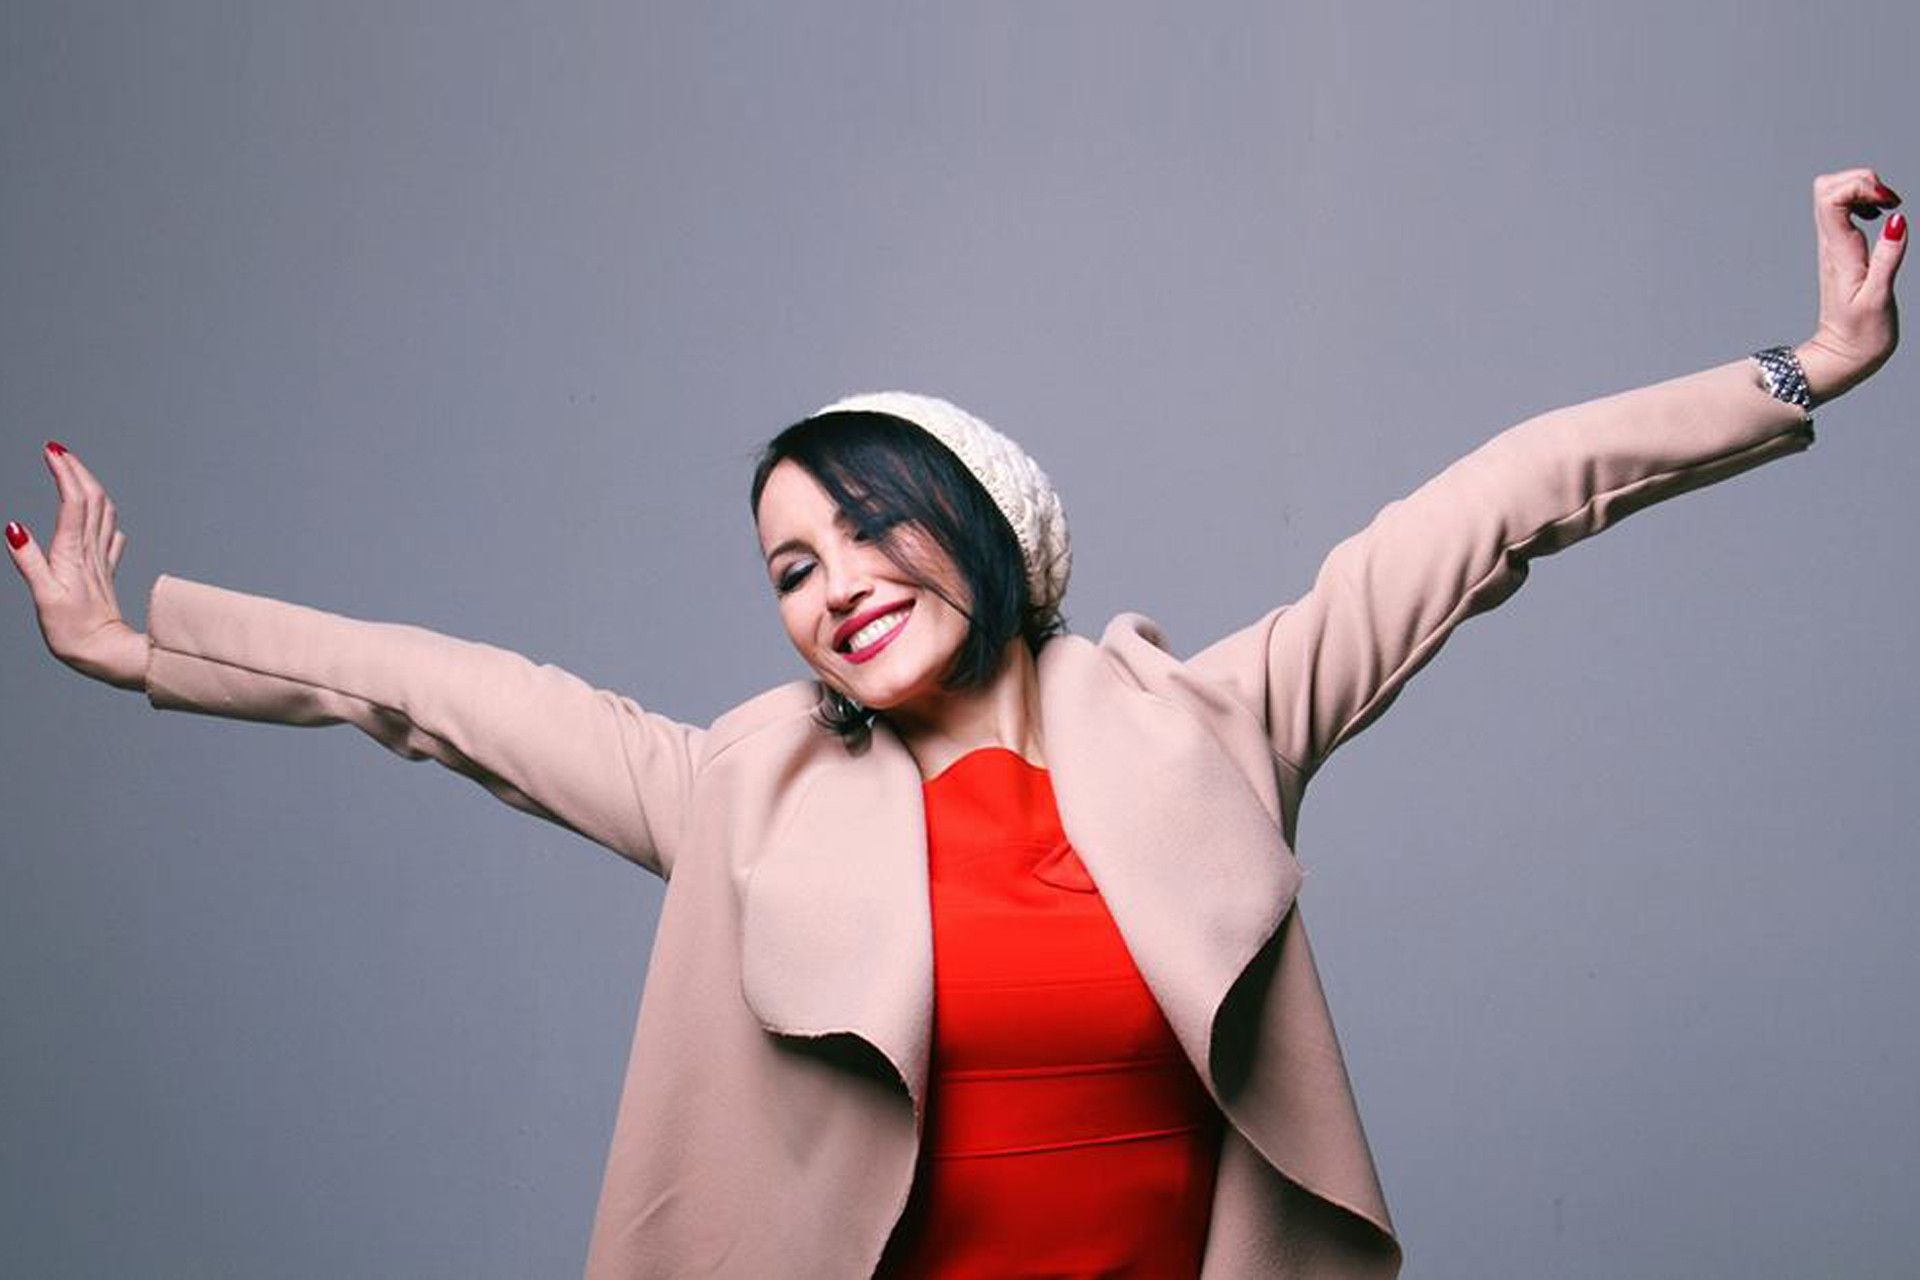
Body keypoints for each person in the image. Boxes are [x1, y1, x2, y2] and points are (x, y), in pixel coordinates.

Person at [6, 167, 1905, 1279]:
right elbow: (440, 698)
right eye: (789, 566)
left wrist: (1804, 364)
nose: (831, 582)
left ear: (989, 529)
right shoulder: (741, 789)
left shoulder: (1211, 716)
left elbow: (1496, 506)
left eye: (868, 527)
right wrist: (143, 648)